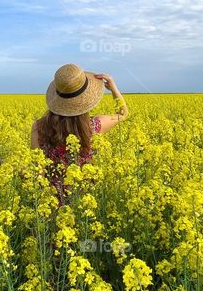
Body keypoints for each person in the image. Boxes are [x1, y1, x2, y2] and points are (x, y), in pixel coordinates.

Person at [31, 63, 129, 203]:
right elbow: (123, 114)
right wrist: (113, 88)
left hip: (52, 202)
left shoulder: (38, 128)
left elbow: (38, 171)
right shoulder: (95, 126)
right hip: (86, 200)